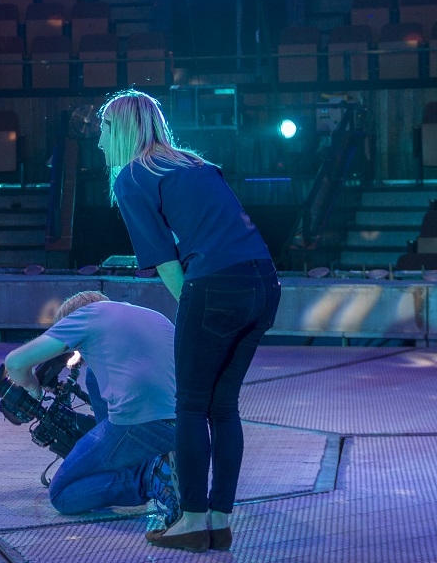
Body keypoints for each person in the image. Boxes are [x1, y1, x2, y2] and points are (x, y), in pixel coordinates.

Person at [97, 90, 280, 552]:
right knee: (224, 407)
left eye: (103, 130)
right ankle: (220, 520)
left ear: (121, 129)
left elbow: (164, 262)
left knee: (192, 407)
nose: (99, 142)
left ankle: (193, 521)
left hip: (215, 286)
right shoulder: (196, 164)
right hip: (264, 283)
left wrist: (196, 312)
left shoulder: (133, 176)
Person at [4, 290, 179, 523]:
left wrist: (33, 388)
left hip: (144, 422)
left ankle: (150, 478)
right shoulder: (153, 316)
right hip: (187, 429)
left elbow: (15, 363)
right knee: (94, 376)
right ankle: (156, 463)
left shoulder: (86, 316)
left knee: (62, 494)